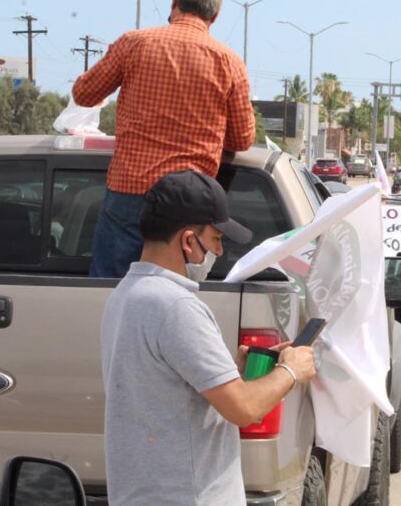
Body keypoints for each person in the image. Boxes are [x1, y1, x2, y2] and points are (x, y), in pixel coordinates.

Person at [100, 170, 315, 505]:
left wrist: (229, 373)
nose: (218, 250)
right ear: (188, 241)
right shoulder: (177, 305)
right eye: (215, 240)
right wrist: (290, 371)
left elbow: (164, 392)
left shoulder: (126, 295)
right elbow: (243, 410)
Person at [74, 0, 256, 278]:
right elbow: (242, 139)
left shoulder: (134, 44)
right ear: (215, 15)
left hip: (129, 190)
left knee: (110, 292)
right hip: (190, 201)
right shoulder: (229, 62)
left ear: (174, 2)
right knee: (173, 297)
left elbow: (84, 93)